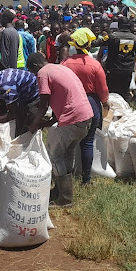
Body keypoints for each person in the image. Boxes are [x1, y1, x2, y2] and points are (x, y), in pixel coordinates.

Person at [27, 52, 92, 207]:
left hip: (73, 118)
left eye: (33, 72)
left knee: (55, 156)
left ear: (36, 67)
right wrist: (52, 121)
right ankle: (62, 191)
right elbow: (67, 95)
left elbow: (43, 104)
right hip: (86, 115)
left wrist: (34, 125)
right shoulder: (60, 68)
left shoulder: (43, 73)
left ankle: (64, 198)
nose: (35, 75)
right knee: (67, 152)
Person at [62, 28, 109, 185]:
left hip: (70, 104)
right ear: (89, 46)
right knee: (87, 142)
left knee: (67, 142)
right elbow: (103, 91)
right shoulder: (94, 65)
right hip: (90, 104)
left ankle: (65, 175)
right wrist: (105, 103)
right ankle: (86, 179)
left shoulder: (65, 63)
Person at [0, 67, 41, 137]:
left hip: (35, 95)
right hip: (22, 96)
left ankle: (27, 145)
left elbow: (12, 114)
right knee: (19, 122)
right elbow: (3, 107)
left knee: (27, 127)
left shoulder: (5, 86)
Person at [102, 17, 136, 102]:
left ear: (119, 25)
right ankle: (126, 110)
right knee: (125, 92)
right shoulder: (135, 38)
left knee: (112, 91)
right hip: (127, 69)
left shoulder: (113, 36)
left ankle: (112, 110)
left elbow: (99, 42)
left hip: (114, 68)